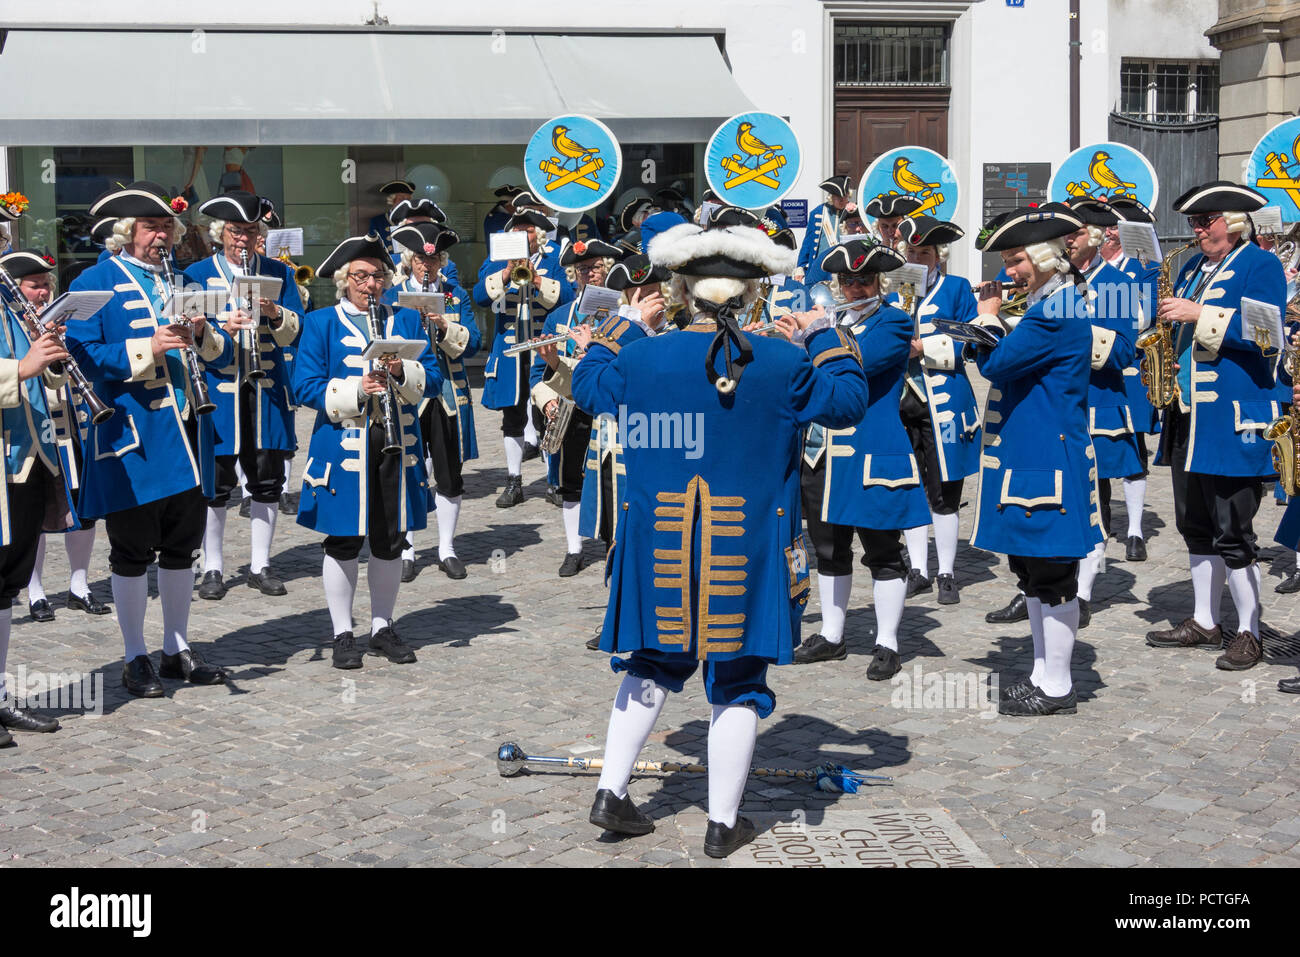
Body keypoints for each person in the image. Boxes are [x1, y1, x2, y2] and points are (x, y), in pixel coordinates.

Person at [572, 219, 868, 858]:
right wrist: (822, 334)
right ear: (754, 295)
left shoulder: (642, 354)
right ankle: (721, 821)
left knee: (652, 663)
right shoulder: (784, 360)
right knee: (739, 679)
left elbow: (588, 388)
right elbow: (847, 402)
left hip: (660, 542)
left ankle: (612, 791)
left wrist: (619, 326)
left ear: (680, 292)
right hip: (747, 543)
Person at [67, 181, 243, 697]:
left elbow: (220, 350)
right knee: (130, 552)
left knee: (179, 548)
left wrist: (203, 334)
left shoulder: (185, 279)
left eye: (167, 226)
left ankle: (175, 647)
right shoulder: (94, 280)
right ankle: (133, 655)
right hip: (134, 438)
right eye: (152, 226)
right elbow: (80, 355)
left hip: (189, 436)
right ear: (127, 233)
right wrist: (148, 345)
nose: (162, 235)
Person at [1144, 182, 1288, 671]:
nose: (1199, 230)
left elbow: (1267, 337)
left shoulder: (1259, 264)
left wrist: (1199, 312)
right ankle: (1205, 619)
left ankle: (1248, 630)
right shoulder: (1190, 268)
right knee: (1196, 526)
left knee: (1234, 530)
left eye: (1207, 220)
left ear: (1236, 222)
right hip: (1188, 415)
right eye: (1194, 222)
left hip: (1230, 420)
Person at [971, 205, 1102, 716]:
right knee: (1030, 572)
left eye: (1016, 259)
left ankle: (1059, 685)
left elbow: (1001, 363)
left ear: (1046, 257)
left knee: (1051, 575)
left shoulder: (1057, 309)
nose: (1009, 271)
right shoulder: (1047, 303)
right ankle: (1041, 673)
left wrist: (985, 322)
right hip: (1031, 454)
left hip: (1048, 454)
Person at [293, 233, 442, 669]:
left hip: (398, 444)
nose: (370, 284)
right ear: (344, 280)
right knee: (342, 540)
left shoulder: (408, 321)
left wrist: (403, 371)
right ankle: (342, 632)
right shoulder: (321, 323)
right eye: (360, 276)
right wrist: (358, 388)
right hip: (344, 446)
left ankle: (381, 626)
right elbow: (304, 385)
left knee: (390, 540)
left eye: (377, 276)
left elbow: (433, 379)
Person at [793, 239, 930, 678]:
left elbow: (853, 364)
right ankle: (832, 635)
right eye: (847, 280)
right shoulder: (829, 323)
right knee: (829, 549)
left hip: (872, 449)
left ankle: (887, 641)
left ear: (879, 282)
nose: (854, 288)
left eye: (863, 280)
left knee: (884, 552)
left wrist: (808, 338)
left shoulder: (893, 321)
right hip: (822, 451)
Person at [185, 191, 304, 600]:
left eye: (251, 231)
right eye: (236, 231)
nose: (243, 239)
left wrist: (273, 313)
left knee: (267, 479)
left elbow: (296, 330)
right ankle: (213, 565)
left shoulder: (278, 271)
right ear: (221, 233)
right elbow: (190, 331)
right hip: (220, 389)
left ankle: (260, 563)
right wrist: (224, 326)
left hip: (266, 386)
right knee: (216, 484)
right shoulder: (198, 272)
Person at [1, 250, 111, 621]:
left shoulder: (37, 321)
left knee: (79, 509)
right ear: (15, 288)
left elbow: (54, 377)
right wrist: (29, 360)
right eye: (35, 286)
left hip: (62, 429)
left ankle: (79, 586)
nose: (44, 293)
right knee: (31, 521)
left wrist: (52, 353)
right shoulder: (7, 321)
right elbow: (22, 372)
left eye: (47, 285)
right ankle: (35, 591)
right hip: (22, 438)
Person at [0, 235, 77, 740]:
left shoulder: (10, 301)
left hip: (28, 458)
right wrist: (23, 366)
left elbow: (42, 383)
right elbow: (18, 371)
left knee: (5, 586)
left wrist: (50, 360)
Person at [891, 216, 982, 605]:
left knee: (944, 491)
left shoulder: (957, 288)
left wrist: (923, 348)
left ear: (938, 256)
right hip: (900, 401)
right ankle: (918, 569)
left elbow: (970, 342)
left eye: (923, 252)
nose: (916, 258)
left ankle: (946, 571)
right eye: (910, 251)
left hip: (943, 402)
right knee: (910, 489)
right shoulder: (895, 289)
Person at [384, 220, 479, 582]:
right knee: (408, 468)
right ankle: (407, 547)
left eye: (436, 258)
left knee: (448, 472)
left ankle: (446, 548)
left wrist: (443, 327)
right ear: (409, 261)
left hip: (446, 395)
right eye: (422, 260)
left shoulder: (456, 293)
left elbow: (473, 341)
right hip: (407, 391)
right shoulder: (394, 296)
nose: (429, 265)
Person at [531, 238, 622, 576]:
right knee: (571, 479)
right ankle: (574, 548)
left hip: (612, 407)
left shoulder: (623, 312)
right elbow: (534, 373)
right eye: (582, 270)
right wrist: (548, 398)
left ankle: (616, 541)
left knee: (616, 476)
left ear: (606, 270)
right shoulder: (558, 317)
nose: (589, 275)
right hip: (571, 406)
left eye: (595, 268)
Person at [473, 209, 573, 508]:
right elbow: (479, 296)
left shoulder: (553, 259)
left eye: (528, 230)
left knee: (548, 414)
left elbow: (568, 297)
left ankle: (553, 480)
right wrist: (505, 273)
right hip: (510, 349)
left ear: (539, 234)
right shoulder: (495, 260)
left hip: (545, 343)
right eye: (517, 229)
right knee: (512, 416)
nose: (522, 235)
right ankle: (514, 480)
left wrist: (539, 280)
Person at [1102, 196, 1161, 562]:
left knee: (1133, 449)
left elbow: (1144, 319)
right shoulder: (1086, 267)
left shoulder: (1146, 267)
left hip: (1129, 368)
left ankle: (1136, 529)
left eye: (1115, 225)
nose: (1109, 230)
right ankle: (1099, 524)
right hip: (1093, 370)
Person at [795, 175, 853, 286]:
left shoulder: (853, 213)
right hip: (820, 267)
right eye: (837, 197)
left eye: (844, 196)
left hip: (844, 267)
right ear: (831, 197)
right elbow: (807, 243)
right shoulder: (818, 213)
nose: (842, 200)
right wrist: (800, 267)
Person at [367, 180, 414, 253]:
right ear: (392, 200)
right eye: (401, 199)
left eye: (407, 199)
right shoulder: (377, 221)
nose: (405, 202)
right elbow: (372, 246)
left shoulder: (414, 220)